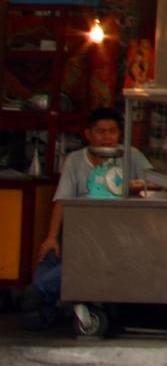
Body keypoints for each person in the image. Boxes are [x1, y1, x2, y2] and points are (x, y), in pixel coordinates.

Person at [31, 106, 151, 330]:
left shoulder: (131, 155)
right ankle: (43, 305)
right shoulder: (75, 161)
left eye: (112, 131)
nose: (107, 137)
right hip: (82, 233)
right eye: (101, 131)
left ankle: (41, 291)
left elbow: (151, 183)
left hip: (119, 235)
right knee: (49, 257)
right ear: (88, 134)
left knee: (79, 264)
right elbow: (63, 199)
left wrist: (134, 188)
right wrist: (51, 238)